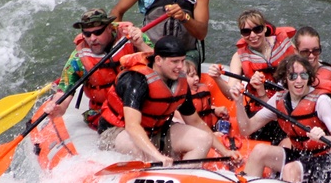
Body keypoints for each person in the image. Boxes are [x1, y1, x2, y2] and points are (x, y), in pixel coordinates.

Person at [96, 36, 239, 167]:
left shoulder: (179, 82)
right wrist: (157, 156)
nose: (181, 67)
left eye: (182, 61)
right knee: (140, 151)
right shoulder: (136, 80)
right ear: (158, 60)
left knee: (203, 139)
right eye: (175, 62)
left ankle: (182, 178)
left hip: (156, 131)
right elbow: (132, 126)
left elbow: (195, 122)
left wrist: (225, 152)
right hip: (117, 132)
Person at [232, 54, 331, 183]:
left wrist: (323, 138)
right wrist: (239, 103)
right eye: (293, 76)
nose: (299, 81)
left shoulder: (322, 101)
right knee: (259, 151)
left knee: (290, 169)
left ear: (309, 77)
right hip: (300, 155)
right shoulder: (279, 99)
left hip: (328, 162)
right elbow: (246, 129)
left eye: (303, 75)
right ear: (285, 79)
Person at [45, 8, 150, 129]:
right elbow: (64, 93)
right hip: (107, 113)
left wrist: (141, 45)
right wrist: (57, 107)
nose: (92, 38)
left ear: (110, 28)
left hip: (142, 105)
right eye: (87, 34)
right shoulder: (78, 58)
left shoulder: (132, 38)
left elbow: (161, 65)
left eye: (98, 32)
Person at [206, 9, 296, 144]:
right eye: (246, 32)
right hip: (260, 110)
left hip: (288, 105)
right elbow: (231, 93)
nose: (252, 35)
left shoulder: (284, 44)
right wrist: (217, 78)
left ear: (265, 28)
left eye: (257, 29)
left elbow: (304, 72)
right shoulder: (239, 57)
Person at [183, 58, 228, 131]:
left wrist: (215, 110)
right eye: (192, 76)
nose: (197, 78)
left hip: (209, 128)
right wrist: (212, 135)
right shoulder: (180, 100)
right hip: (196, 134)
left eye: (196, 75)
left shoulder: (201, 89)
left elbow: (204, 108)